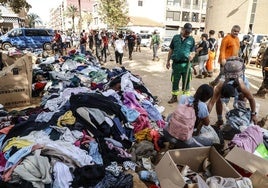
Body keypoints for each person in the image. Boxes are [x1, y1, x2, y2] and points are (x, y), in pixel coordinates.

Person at [207, 56, 258, 126]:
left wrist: (253, 114)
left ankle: (239, 120)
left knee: (241, 102)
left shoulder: (242, 87)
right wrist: (205, 115)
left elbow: (251, 99)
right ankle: (220, 120)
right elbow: (211, 102)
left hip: (240, 83)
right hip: (228, 81)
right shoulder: (220, 85)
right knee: (218, 100)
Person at [163, 84, 216, 148]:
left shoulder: (183, 97)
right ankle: (184, 142)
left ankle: (172, 143)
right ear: (207, 98)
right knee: (210, 142)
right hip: (184, 141)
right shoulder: (202, 106)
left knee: (171, 115)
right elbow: (207, 123)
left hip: (167, 134)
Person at [166, 23, 196, 103]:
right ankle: (174, 97)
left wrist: (192, 56)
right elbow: (171, 50)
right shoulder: (175, 38)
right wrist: (168, 61)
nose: (187, 33)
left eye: (189, 32)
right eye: (186, 31)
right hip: (176, 64)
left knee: (186, 82)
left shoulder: (191, 39)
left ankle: (185, 98)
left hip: (186, 65)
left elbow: (193, 51)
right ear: (183, 29)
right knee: (175, 81)